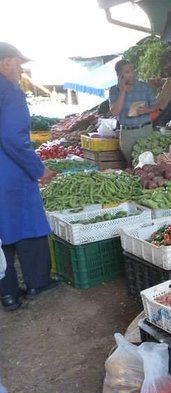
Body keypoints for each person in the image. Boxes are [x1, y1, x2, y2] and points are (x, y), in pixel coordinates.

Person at [0, 42, 58, 312]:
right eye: (18, 63)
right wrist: (39, 169)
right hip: (10, 176)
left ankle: (8, 293)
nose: (21, 69)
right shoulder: (9, 91)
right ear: (5, 63)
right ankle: (38, 281)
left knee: (3, 233)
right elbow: (13, 137)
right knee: (28, 226)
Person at [109, 60, 159, 166]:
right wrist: (122, 91)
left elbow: (155, 106)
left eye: (132, 70)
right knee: (132, 165)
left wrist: (146, 110)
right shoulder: (114, 90)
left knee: (148, 165)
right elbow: (115, 112)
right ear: (119, 75)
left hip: (145, 131)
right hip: (127, 134)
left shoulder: (144, 87)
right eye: (127, 72)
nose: (132, 74)